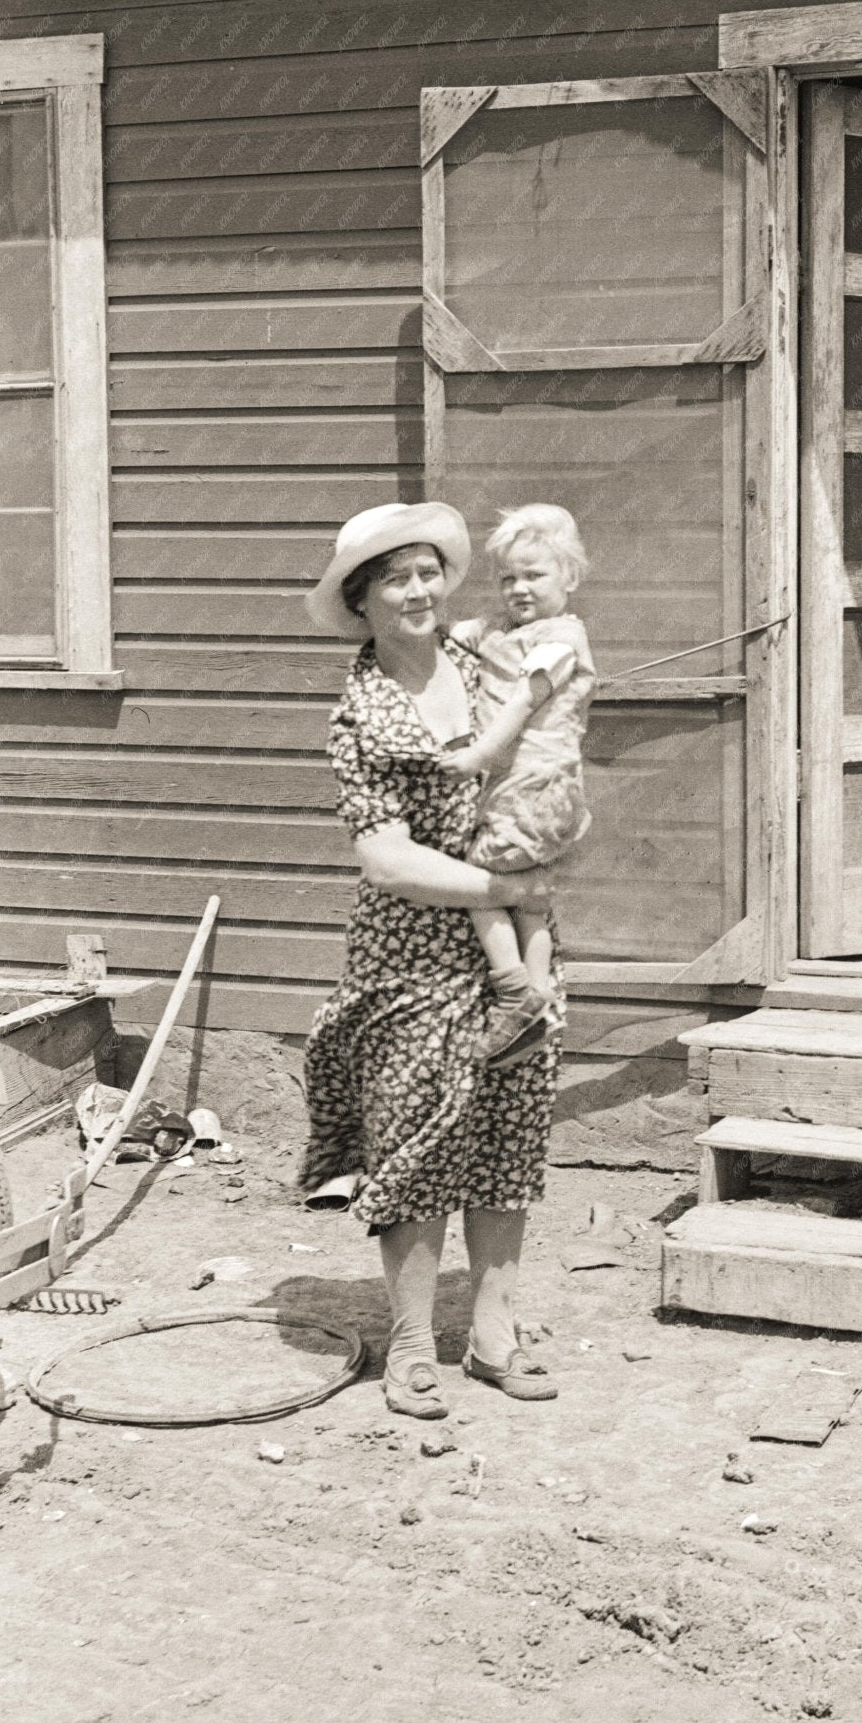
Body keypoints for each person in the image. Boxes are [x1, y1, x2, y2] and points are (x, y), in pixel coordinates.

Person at [298, 501, 561, 1417]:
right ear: (362, 601)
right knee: (414, 1146)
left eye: (426, 573)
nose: (416, 591)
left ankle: (493, 1337)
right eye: (394, 578)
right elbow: (385, 857)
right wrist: (503, 895)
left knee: (506, 1135)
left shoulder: (482, 657)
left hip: (518, 949)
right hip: (409, 956)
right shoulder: (360, 712)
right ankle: (411, 1340)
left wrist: (534, 900)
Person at [441, 505, 597, 1067]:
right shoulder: (502, 630)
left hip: (534, 786)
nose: (519, 588)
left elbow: (524, 700)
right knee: (529, 899)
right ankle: (540, 1001)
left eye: (535, 575)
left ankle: (513, 991)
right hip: (522, 789)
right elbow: (455, 634)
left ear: (569, 579)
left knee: (476, 880)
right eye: (508, 578)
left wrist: (479, 752)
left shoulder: (559, 641)